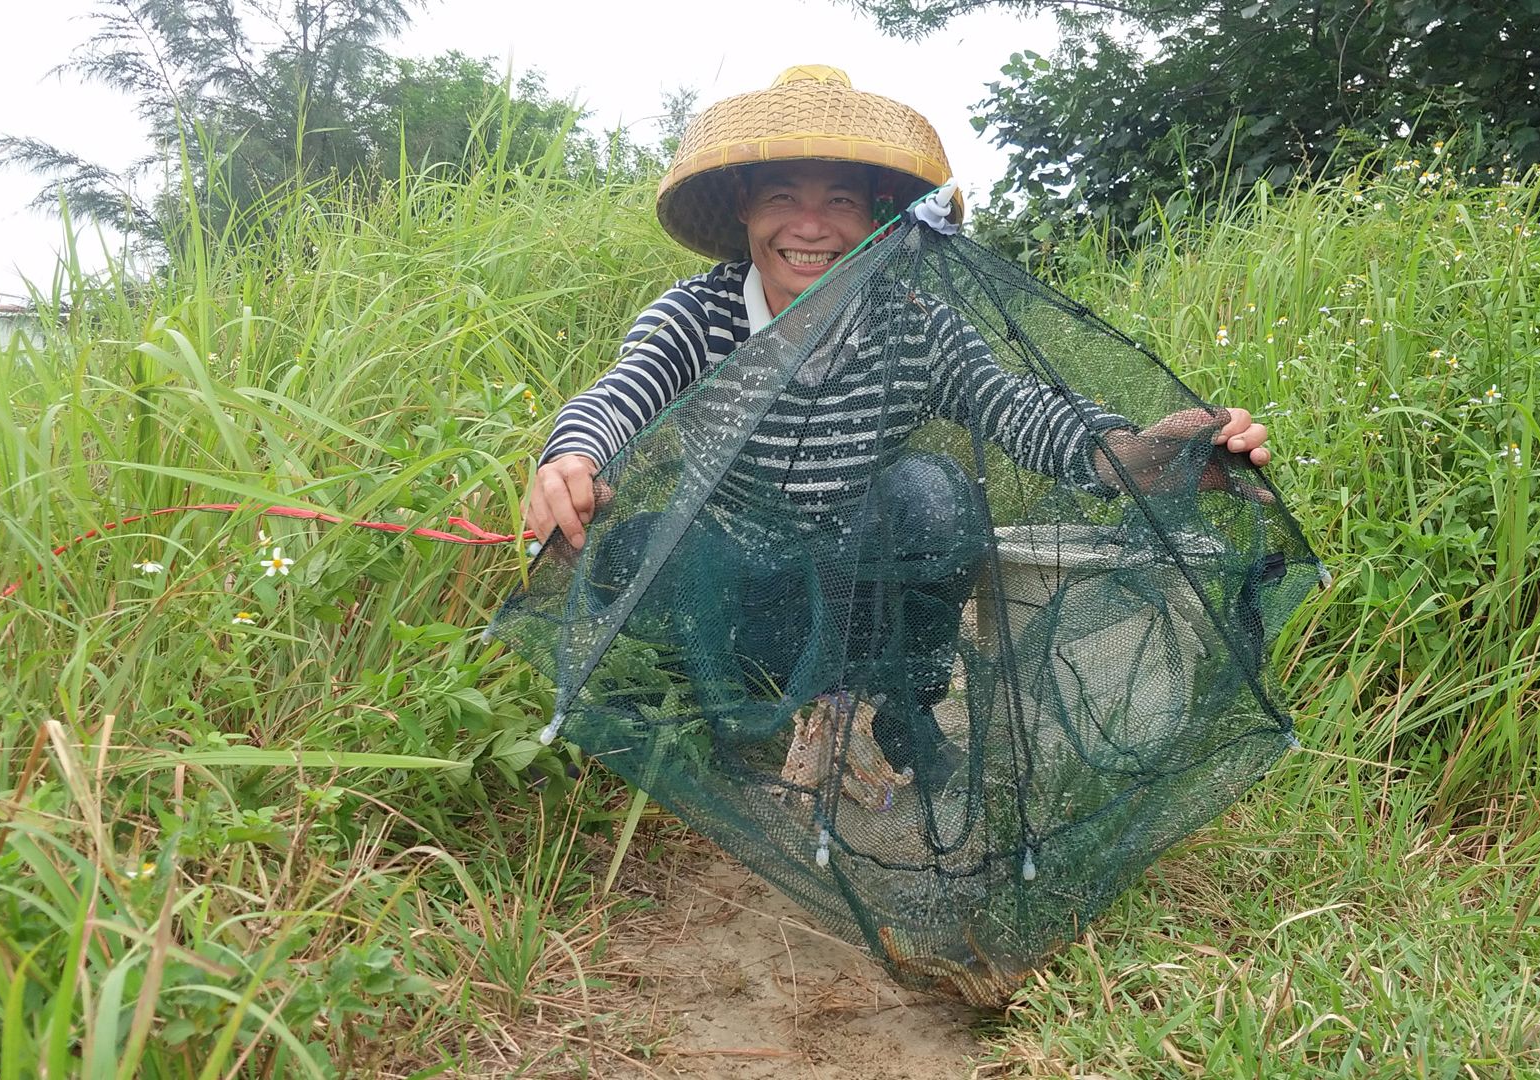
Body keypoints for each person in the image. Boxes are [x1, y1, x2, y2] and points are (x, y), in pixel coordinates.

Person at [522, 66, 1271, 780]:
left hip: (856, 579)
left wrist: (1141, 455)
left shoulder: (914, 326)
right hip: (742, 575)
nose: (809, 227)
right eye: (782, 196)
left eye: (841, 202)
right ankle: (735, 703)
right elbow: (620, 399)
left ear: (881, 217)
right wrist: (576, 461)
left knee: (933, 493)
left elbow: (1017, 408)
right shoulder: (696, 317)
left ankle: (891, 713)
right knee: (635, 557)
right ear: (745, 206)